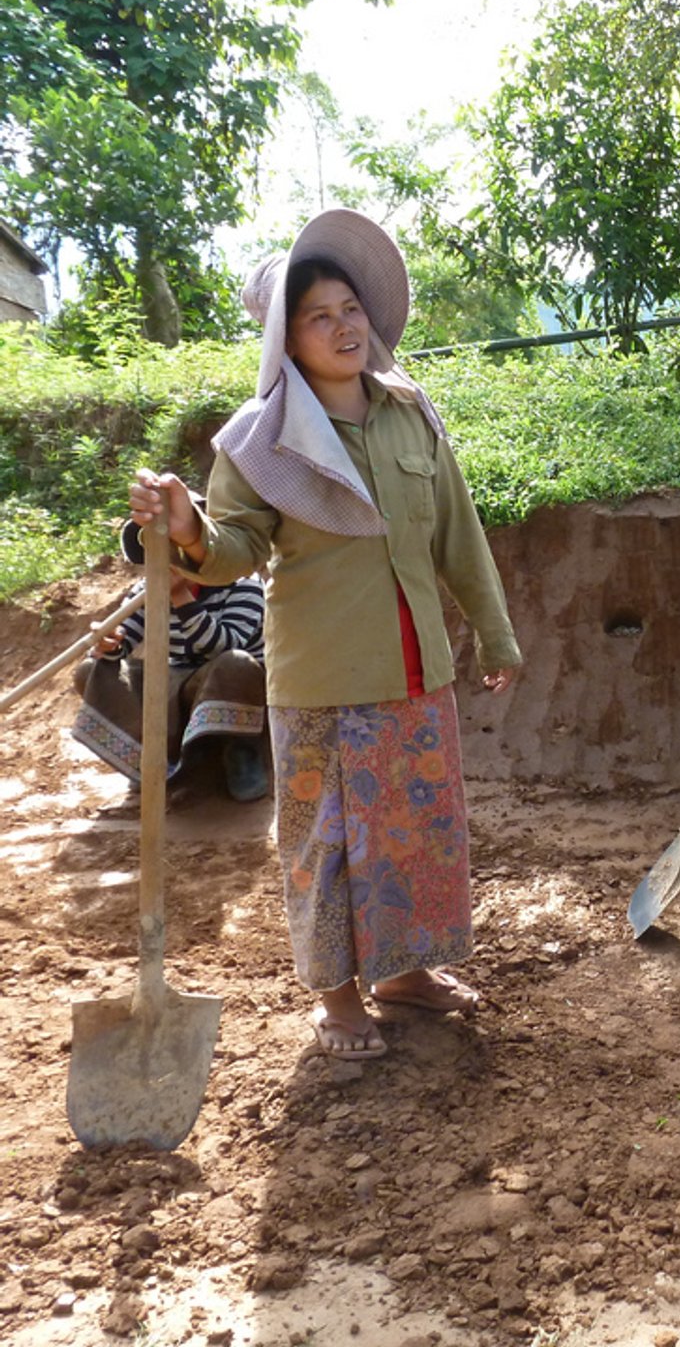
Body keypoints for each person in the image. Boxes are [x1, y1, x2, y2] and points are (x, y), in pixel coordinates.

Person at [127, 209, 522, 1063]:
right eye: (319, 316)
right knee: (329, 845)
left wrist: (494, 636)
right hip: (320, 681)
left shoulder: (411, 414)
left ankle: (404, 974)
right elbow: (234, 552)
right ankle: (338, 998)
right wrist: (189, 523)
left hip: (416, 670)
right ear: (287, 340)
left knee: (417, 834)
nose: (344, 326)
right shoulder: (257, 442)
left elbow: (458, 532)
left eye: (350, 308)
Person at [71, 507, 270, 802]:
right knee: (92, 669)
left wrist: (181, 596)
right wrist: (109, 644)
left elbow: (224, 646)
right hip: (177, 683)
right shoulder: (146, 589)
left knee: (237, 664)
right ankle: (149, 758)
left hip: (231, 685)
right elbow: (124, 638)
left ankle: (238, 750)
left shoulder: (244, 584)